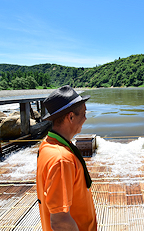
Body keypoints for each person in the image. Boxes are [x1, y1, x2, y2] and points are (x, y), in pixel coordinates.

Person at [36, 85, 97, 231]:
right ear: (70, 117)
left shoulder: (47, 144)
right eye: (83, 113)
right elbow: (60, 221)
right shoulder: (62, 159)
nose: (85, 118)